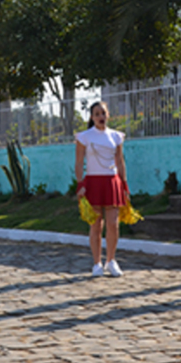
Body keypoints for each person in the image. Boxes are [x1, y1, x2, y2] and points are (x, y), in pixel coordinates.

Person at [75, 101, 129, 277]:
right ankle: (97, 263)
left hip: (112, 182)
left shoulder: (116, 136)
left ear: (108, 115)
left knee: (113, 224)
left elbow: (120, 161)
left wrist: (124, 183)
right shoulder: (84, 137)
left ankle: (111, 260)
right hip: (93, 183)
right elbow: (79, 162)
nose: (101, 117)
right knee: (96, 224)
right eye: (97, 114)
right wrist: (80, 184)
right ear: (91, 117)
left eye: (103, 113)